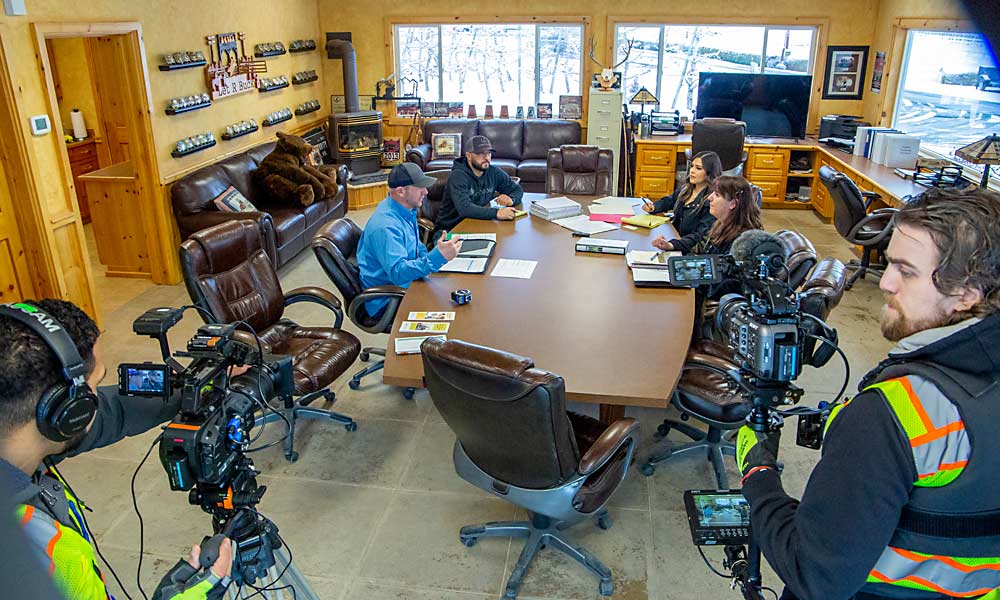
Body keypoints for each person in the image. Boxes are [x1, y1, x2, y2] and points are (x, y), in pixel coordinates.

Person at [735, 187, 1000, 600]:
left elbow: (814, 575)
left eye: (906, 271)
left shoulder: (890, 416)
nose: (885, 283)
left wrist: (759, 477)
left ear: (967, 294)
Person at [0, 299, 234, 599]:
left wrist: (197, 390)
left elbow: (113, 411)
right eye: (95, 385)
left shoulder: (18, 439)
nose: (96, 399)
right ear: (69, 412)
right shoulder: (35, 553)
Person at [357, 162, 463, 316]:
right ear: (400, 191)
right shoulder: (385, 226)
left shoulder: (405, 209)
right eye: (420, 187)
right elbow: (398, 273)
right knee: (453, 310)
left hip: (409, 283)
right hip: (389, 300)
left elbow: (416, 245)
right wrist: (436, 258)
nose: (426, 192)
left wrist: (430, 256)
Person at [434, 135, 524, 232]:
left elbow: (516, 189)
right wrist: (497, 213)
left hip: (477, 224)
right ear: (468, 155)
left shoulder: (493, 172)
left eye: (489, 153)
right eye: (481, 153)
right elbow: (465, 209)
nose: (486, 157)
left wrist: (512, 199)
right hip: (449, 230)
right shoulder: (458, 176)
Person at [645, 151, 723, 253]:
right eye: (692, 166)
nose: (692, 171)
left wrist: (671, 245)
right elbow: (669, 200)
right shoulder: (686, 189)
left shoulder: (711, 201)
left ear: (709, 173)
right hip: (674, 239)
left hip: (688, 250)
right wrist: (654, 207)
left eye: (698, 168)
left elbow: (699, 236)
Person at [689, 175, 762, 256]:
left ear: (733, 204)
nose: (709, 198)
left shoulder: (741, 242)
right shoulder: (720, 224)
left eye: (717, 195)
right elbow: (699, 248)